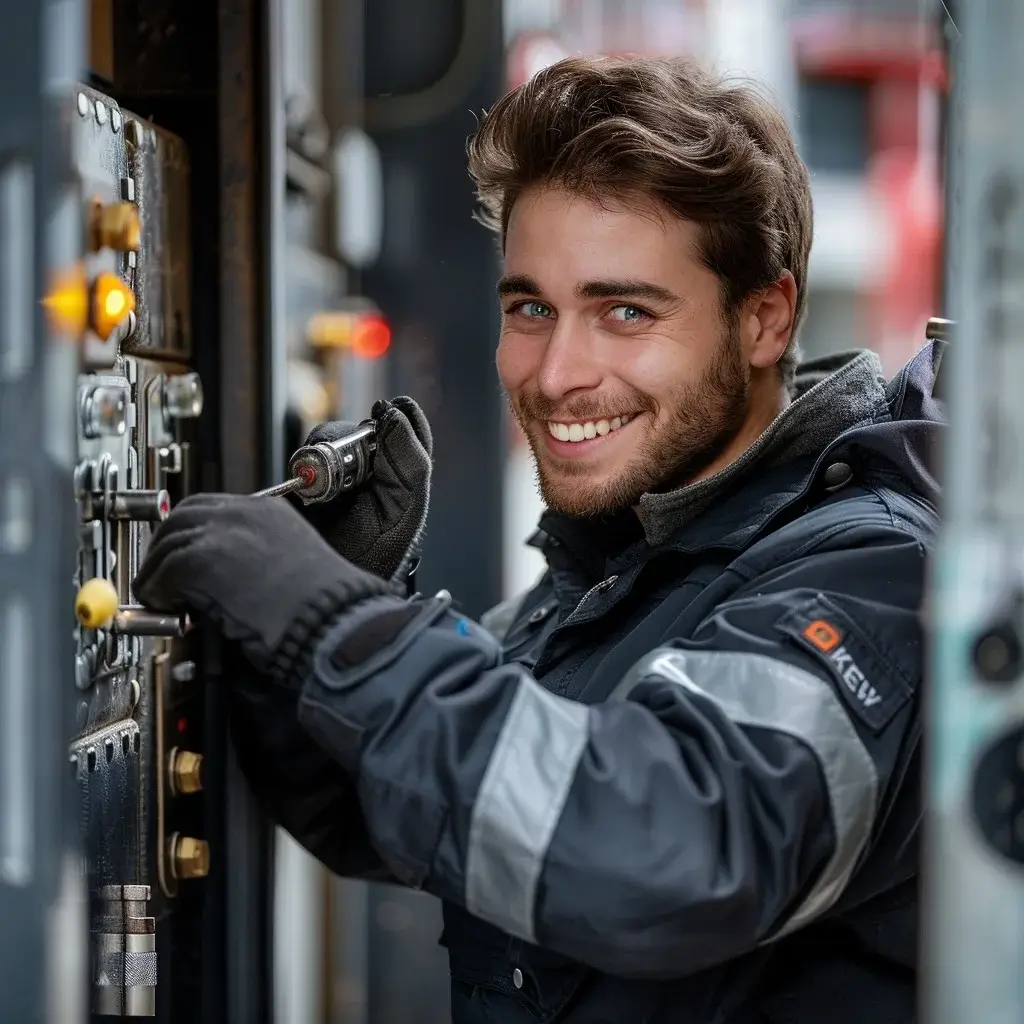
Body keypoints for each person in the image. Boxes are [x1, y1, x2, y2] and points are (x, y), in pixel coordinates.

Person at [134, 55, 944, 1023]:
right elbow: (393, 802)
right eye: (531, 309)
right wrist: (321, 619)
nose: (557, 373)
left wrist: (339, 628)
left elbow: (668, 857)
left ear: (763, 318)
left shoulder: (876, 575)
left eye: (624, 312)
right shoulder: (630, 563)